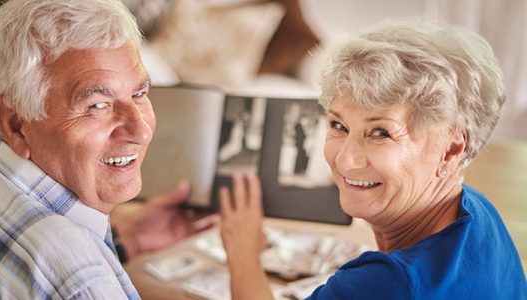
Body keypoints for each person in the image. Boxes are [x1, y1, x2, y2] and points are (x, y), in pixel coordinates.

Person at [219, 19, 527, 299]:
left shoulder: (386, 283)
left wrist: (242, 253)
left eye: (380, 133)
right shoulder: (478, 210)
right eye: (339, 125)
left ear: (451, 149)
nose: (345, 160)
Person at [0, 0, 213, 298]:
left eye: (139, 93)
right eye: (97, 105)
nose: (140, 130)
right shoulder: (81, 281)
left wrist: (128, 240)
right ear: (15, 124)